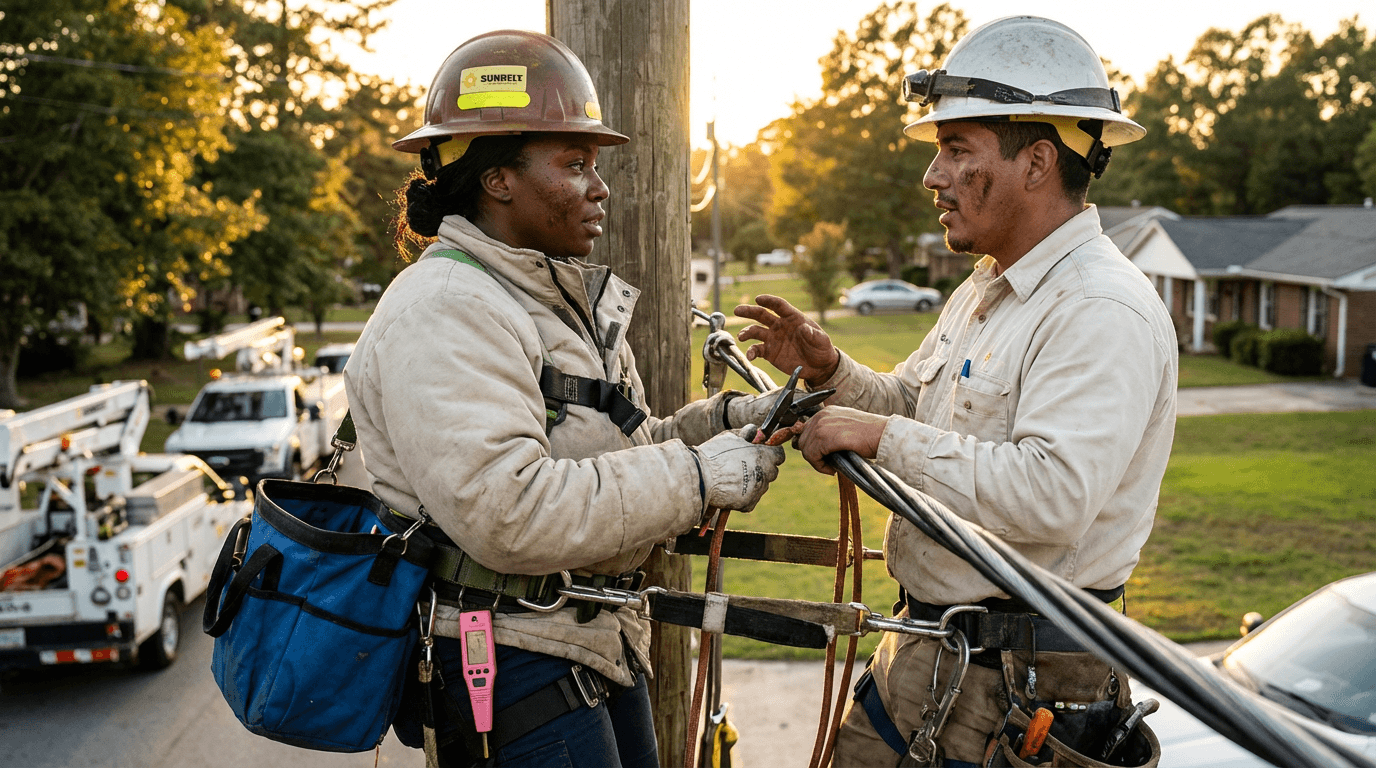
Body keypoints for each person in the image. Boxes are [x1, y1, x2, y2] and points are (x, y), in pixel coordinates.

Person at [736, 16, 1177, 767]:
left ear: (1037, 162)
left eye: (955, 150)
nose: (932, 176)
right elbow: (912, 403)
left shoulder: (1100, 309)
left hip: (1020, 687)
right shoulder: (989, 289)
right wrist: (831, 372)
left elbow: (1054, 496)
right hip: (933, 651)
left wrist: (878, 439)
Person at [343, 30, 785, 768]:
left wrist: (721, 424)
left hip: (581, 640)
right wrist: (701, 476)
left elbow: (612, 451)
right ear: (498, 180)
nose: (599, 185)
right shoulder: (446, 308)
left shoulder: (543, 297)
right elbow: (507, 510)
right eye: (574, 164)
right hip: (508, 657)